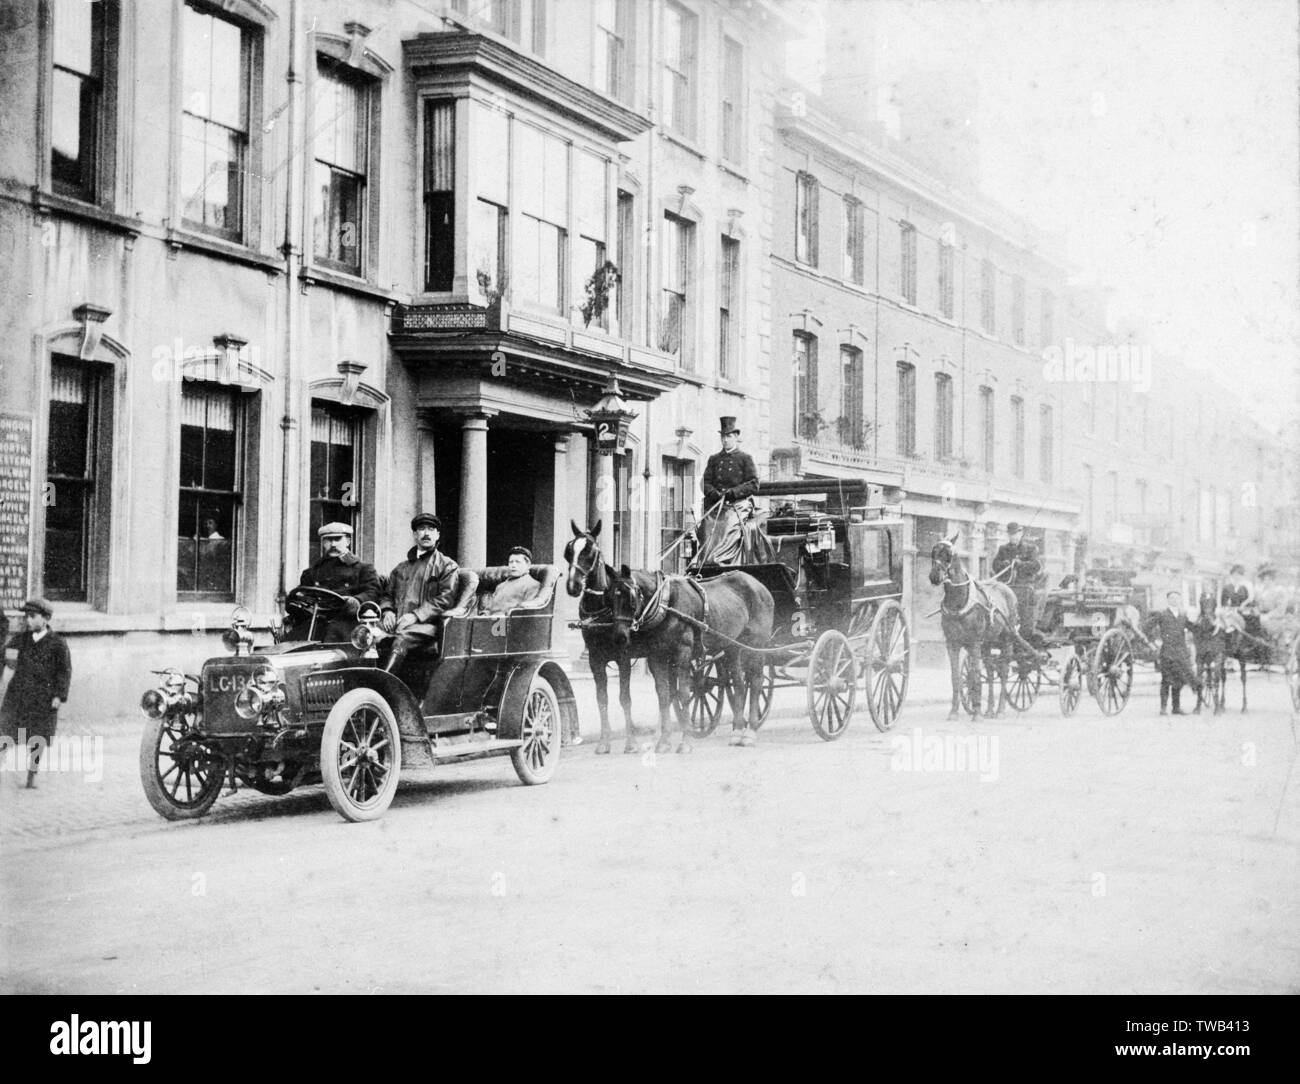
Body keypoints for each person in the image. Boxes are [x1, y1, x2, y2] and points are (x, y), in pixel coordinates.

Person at [1, 600, 72, 788]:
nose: (28, 620)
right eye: (26, 616)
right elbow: (5, 657)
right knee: (6, 732)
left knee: (38, 738)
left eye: (32, 616)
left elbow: (64, 671)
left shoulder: (58, 643)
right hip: (18, 695)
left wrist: (58, 695)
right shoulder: (21, 639)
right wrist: (7, 664)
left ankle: (31, 777)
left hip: (43, 698)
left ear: (46, 618)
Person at [379, 513, 460, 676]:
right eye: (421, 529)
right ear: (415, 535)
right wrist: (387, 611)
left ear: (437, 535)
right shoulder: (400, 568)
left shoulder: (446, 566)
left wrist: (416, 616)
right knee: (366, 635)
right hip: (398, 623)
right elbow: (387, 595)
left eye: (431, 529)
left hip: (428, 626)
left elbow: (445, 599)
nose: (426, 533)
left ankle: (383, 684)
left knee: (401, 639)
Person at [287, 522, 381, 642]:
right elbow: (299, 595)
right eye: (328, 540)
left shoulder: (363, 569)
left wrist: (357, 600)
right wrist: (297, 599)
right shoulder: (312, 572)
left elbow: (372, 592)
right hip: (315, 622)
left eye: (337, 539)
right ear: (323, 543)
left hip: (347, 622)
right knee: (291, 646)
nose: (332, 544)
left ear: (348, 541)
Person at [695, 417, 761, 565]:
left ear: (736, 437)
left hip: (737, 505)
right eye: (723, 436)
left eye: (728, 436)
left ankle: (723, 562)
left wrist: (733, 492)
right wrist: (713, 493)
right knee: (705, 528)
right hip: (716, 505)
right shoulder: (714, 459)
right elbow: (705, 482)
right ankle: (705, 563)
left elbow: (753, 484)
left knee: (728, 524)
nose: (725, 440)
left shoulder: (745, 458)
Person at [1143, 591, 1202, 715]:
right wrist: (1154, 641)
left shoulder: (1182, 615)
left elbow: (1193, 628)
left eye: (1177, 598)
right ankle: (1163, 708)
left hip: (1180, 653)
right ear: (1168, 600)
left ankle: (1176, 708)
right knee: (1166, 680)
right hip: (1167, 652)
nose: (1174, 600)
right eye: (1172, 598)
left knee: (1179, 680)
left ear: (1180, 600)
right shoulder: (1162, 614)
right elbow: (1147, 627)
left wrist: (1205, 625)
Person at [992, 522, 1042, 640]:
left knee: (1023, 607)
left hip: (1023, 586)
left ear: (1021, 534)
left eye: (1015, 534)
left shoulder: (1031, 549)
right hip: (1006, 586)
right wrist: (1003, 564)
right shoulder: (1003, 549)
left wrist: (1021, 564)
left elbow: (1036, 566)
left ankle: (1024, 634)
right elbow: (995, 565)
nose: (1013, 537)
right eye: (1010, 534)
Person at [480, 547, 541, 614]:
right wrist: (483, 615)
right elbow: (488, 609)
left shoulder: (532, 585)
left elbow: (526, 612)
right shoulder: (501, 586)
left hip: (508, 622)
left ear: (528, 565)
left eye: (518, 562)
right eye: (511, 562)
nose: (513, 565)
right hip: (490, 622)